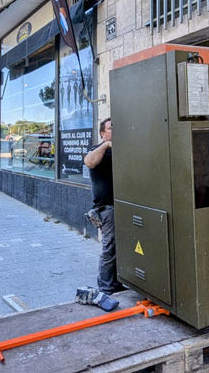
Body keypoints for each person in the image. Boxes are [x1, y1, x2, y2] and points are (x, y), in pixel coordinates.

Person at [83, 117, 124, 295]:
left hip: (123, 206)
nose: (114, 130)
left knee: (119, 248)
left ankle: (116, 283)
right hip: (107, 209)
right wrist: (106, 145)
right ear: (102, 133)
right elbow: (89, 162)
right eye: (110, 128)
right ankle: (105, 287)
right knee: (110, 247)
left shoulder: (122, 150)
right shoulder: (97, 149)